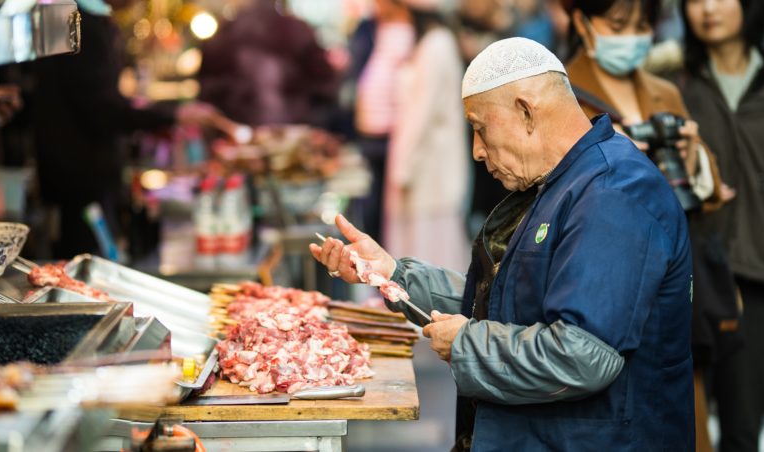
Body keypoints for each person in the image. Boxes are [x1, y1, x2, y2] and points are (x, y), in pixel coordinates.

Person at [311, 37, 695, 450]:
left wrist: (467, 343)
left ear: (526, 112)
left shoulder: (613, 193)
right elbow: (504, 299)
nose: (477, 151)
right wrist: (393, 275)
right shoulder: (561, 182)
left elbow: (584, 356)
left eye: (480, 128)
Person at [564, 1, 741, 449]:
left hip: (669, 283)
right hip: (597, 278)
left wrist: (692, 158)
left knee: (676, 411)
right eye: (618, 25)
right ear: (582, 23)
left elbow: (710, 190)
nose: (631, 38)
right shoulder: (562, 92)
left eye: (642, 26)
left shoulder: (665, 91)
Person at [31, 0, 225, 258]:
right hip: (79, 180)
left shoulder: (80, 19)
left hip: (80, 175)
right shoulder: (74, 21)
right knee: (82, 269)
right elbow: (102, 109)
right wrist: (172, 116)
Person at [677, 1, 764, 450]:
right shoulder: (673, 82)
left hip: (762, 263)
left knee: (744, 422)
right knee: (689, 412)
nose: (708, 9)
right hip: (692, 265)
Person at [382, 0, 470, 271]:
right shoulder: (431, 44)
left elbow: (421, 115)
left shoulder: (436, 46)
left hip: (429, 171)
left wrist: (403, 169)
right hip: (422, 166)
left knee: (429, 254)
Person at [197, 0, 339, 128]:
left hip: (238, 139)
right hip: (294, 136)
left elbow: (207, 96)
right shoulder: (299, 30)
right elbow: (326, 88)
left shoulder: (223, 35)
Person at [351, 0, 415, 242]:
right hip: (370, 127)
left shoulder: (412, 30)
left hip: (392, 129)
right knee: (371, 198)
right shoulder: (368, 28)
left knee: (385, 205)